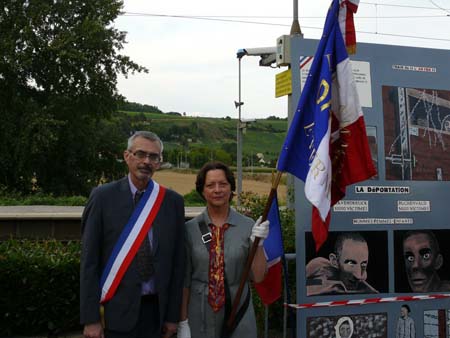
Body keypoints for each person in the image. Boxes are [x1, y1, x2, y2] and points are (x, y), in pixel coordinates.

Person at [80, 131, 185, 338]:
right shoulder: (102, 197)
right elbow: (89, 261)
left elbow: (177, 263)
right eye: (140, 154)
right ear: (127, 156)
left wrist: (173, 316)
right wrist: (91, 319)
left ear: (159, 161)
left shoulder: (172, 202)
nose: (146, 161)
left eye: (153, 157)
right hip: (115, 313)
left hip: (157, 313)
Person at [177, 161, 269, 338]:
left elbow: (258, 276)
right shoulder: (189, 230)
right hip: (199, 314)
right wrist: (183, 323)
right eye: (210, 185)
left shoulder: (248, 226)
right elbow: (184, 281)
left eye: (223, 184)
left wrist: (259, 244)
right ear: (202, 191)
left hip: (237, 312)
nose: (217, 190)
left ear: (231, 188)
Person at [306, 232, 378, 296]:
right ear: (334, 261)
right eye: (351, 263)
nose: (358, 276)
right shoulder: (318, 267)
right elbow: (305, 285)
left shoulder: (368, 290)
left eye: (363, 264)